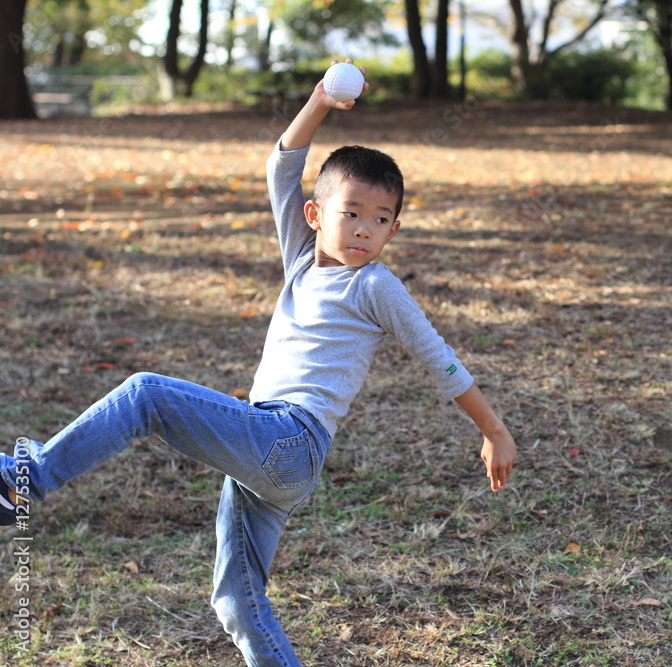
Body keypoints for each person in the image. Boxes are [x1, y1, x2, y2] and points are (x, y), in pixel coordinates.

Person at [0, 60, 517, 666]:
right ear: (315, 216)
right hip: (271, 448)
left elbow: (440, 360)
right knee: (237, 602)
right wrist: (319, 101)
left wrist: (494, 430)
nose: (364, 230)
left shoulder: (375, 286)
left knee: (146, 395)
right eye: (351, 212)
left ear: (393, 230)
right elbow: (282, 166)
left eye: (381, 220)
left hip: (289, 441)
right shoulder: (301, 260)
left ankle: (24, 480)